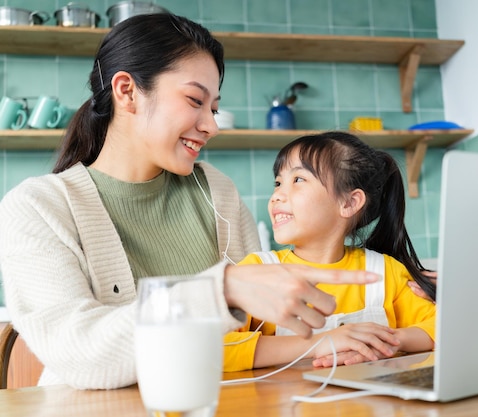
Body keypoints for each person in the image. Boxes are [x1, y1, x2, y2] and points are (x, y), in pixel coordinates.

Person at [0, 14, 380, 390]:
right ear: (127, 91)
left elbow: (261, 330)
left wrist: (394, 293)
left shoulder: (217, 191)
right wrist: (219, 290)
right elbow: (82, 356)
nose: (211, 125)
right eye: (195, 100)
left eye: (213, 108)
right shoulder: (36, 208)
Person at [223, 131, 437, 372]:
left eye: (298, 180)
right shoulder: (257, 272)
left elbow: (443, 326)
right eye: (278, 182)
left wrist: (381, 342)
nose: (276, 196)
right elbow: (214, 349)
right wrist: (323, 342)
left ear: (349, 203)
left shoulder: (385, 272)